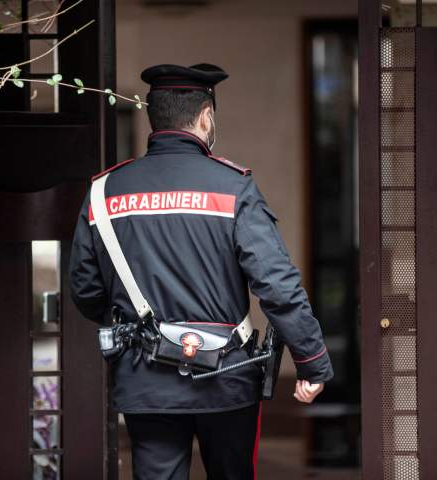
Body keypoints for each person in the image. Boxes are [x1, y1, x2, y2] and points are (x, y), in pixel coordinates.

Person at [69, 63, 333, 480]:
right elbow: (277, 285)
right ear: (206, 116)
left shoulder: (104, 191)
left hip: (145, 380)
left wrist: (137, 328)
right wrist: (312, 360)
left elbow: (85, 290)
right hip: (227, 380)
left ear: (152, 117)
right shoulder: (234, 188)